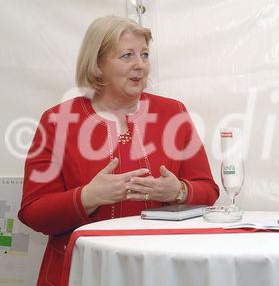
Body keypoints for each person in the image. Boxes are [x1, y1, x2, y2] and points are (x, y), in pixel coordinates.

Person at [18, 16, 220, 286]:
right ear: (98, 65)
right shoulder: (57, 120)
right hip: (83, 271)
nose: (141, 65)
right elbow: (33, 212)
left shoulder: (174, 113)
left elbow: (208, 189)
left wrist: (179, 191)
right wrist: (88, 196)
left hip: (159, 270)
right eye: (127, 55)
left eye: (144, 54)